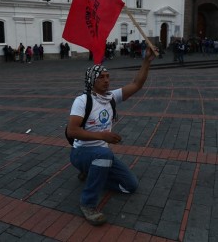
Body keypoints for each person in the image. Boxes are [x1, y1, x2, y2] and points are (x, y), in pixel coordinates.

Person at [66, 46, 156, 226]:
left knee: (130, 186)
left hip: (101, 154)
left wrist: (146, 61)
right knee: (105, 154)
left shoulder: (110, 98)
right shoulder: (82, 101)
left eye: (107, 77)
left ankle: (93, 174)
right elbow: (72, 131)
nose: (106, 80)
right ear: (92, 81)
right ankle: (88, 204)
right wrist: (102, 136)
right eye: (101, 77)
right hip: (81, 153)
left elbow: (137, 84)